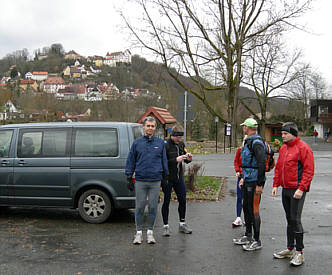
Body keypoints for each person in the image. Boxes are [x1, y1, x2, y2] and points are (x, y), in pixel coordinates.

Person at [272, 122, 314, 266]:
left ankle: (300, 253)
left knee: (296, 220)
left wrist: (301, 188)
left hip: (297, 190)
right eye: (282, 133)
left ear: (293, 134)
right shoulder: (284, 148)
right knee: (289, 219)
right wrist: (275, 184)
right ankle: (290, 248)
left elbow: (309, 170)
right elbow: (278, 168)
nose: (282, 136)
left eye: (285, 133)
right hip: (286, 189)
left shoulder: (303, 148)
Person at [125, 116, 169, 245]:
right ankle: (138, 233)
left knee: (153, 207)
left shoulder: (160, 143)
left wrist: (165, 176)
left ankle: (150, 232)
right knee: (139, 207)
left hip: (155, 180)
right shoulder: (137, 143)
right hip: (141, 180)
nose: (150, 128)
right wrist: (128, 176)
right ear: (143, 127)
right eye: (148, 125)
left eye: (152, 126)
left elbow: (164, 161)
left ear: (155, 128)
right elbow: (131, 160)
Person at [233, 118, 266, 251]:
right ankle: (248, 235)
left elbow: (261, 163)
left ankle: (257, 240)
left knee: (254, 210)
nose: (243, 128)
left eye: (244, 126)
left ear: (249, 127)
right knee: (246, 208)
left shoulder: (257, 143)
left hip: (254, 181)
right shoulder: (249, 141)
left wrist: (259, 184)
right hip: (247, 179)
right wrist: (243, 178)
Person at [161, 125, 193, 236]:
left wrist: (188, 159)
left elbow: (184, 158)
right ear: (173, 135)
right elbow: (162, 162)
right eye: (178, 137)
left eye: (181, 137)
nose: (179, 139)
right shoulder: (165, 145)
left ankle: (182, 224)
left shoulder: (181, 144)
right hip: (167, 178)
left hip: (179, 177)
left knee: (183, 200)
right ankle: (166, 226)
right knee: (166, 201)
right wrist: (175, 160)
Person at [232, 135, 247, 227]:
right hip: (240, 174)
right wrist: (237, 171)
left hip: (249, 176)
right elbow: (236, 161)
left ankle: (247, 218)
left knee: (248, 198)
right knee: (239, 196)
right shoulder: (240, 150)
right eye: (245, 140)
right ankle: (238, 217)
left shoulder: (253, 151)